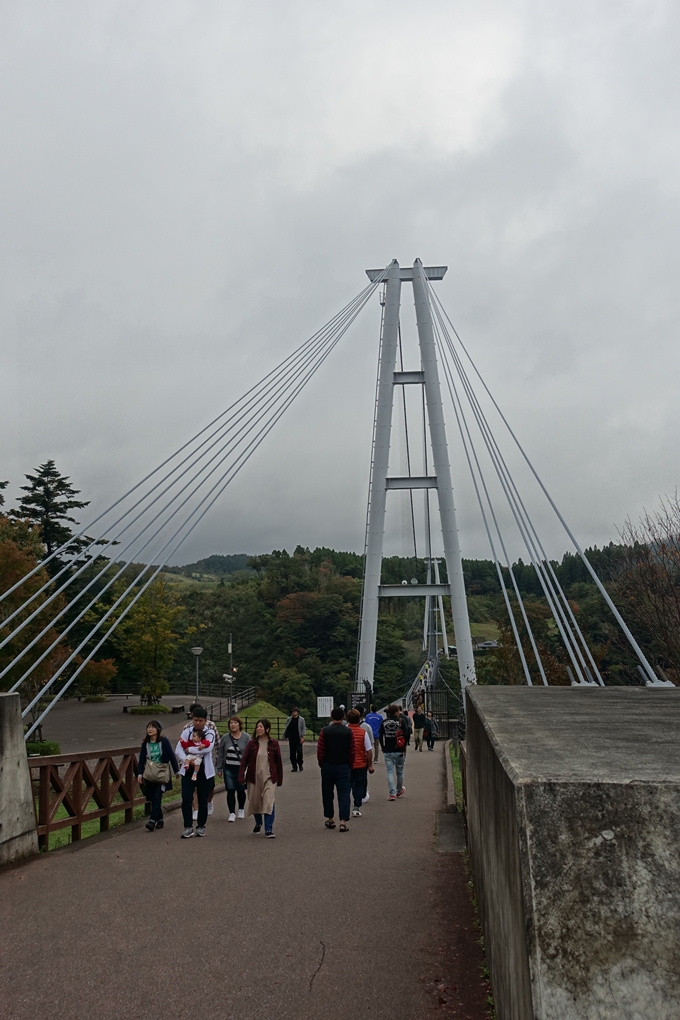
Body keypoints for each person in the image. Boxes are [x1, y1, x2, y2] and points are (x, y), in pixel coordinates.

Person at [237, 718, 283, 838]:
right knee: (255, 802)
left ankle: (268, 829)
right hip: (254, 777)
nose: (258, 729)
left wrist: (280, 779)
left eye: (261, 727)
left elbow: (278, 762)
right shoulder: (252, 744)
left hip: (270, 777)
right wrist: (241, 776)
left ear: (267, 729)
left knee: (269, 801)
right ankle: (258, 823)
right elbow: (245, 761)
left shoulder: (274, 743)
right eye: (257, 727)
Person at [176, 705, 216, 839]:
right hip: (188, 769)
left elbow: (207, 748)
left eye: (200, 720)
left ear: (205, 720)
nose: (197, 723)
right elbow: (178, 749)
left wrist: (189, 750)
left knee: (203, 799)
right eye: (195, 720)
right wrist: (187, 759)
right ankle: (188, 826)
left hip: (204, 770)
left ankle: (201, 826)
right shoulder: (187, 731)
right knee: (187, 797)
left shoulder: (209, 732)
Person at [317, 706, 356, 831]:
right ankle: (343, 821)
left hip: (328, 765)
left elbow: (320, 750)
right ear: (343, 717)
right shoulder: (349, 732)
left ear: (331, 717)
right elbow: (352, 751)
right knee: (344, 794)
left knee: (327, 792)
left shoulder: (325, 731)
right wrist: (350, 764)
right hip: (344, 766)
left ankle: (330, 819)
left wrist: (322, 763)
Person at [137, 720, 179, 831]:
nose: (150, 729)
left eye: (153, 727)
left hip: (162, 773)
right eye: (148, 727)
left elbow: (171, 755)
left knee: (157, 796)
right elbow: (141, 760)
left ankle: (152, 821)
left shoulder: (164, 741)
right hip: (150, 773)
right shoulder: (145, 744)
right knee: (152, 798)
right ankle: (160, 819)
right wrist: (139, 773)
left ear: (158, 729)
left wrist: (176, 771)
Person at [216, 715, 251, 821]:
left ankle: (241, 809)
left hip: (241, 768)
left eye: (235, 723)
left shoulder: (246, 737)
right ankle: (231, 812)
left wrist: (249, 767)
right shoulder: (226, 738)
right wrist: (219, 768)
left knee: (241, 790)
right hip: (228, 768)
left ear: (240, 725)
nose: (233, 725)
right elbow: (221, 753)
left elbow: (250, 753)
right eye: (231, 723)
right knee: (230, 790)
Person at [189, 702, 219, 818]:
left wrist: (217, 760)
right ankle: (196, 809)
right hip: (192, 761)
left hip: (207, 762)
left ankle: (209, 801)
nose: (197, 722)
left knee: (210, 787)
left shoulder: (211, 726)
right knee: (193, 787)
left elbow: (216, 744)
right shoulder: (187, 728)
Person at [347, 709, 374, 817]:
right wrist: (370, 765)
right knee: (359, 786)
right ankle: (356, 807)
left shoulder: (345, 730)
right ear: (359, 719)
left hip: (346, 764)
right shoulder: (363, 732)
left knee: (347, 786)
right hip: (360, 764)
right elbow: (369, 750)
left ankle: (344, 806)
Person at [380, 704, 407, 801]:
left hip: (388, 750)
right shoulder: (401, 721)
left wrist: (383, 746)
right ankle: (399, 790)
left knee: (389, 771)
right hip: (399, 749)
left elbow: (380, 735)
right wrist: (404, 746)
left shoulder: (384, 722)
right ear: (396, 712)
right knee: (400, 772)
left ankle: (392, 793)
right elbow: (406, 734)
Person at [282, 707, 306, 772]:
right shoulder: (289, 719)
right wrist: (285, 735)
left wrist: (303, 737)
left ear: (298, 712)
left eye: (295, 711)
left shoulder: (301, 719)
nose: (294, 713)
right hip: (291, 738)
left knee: (299, 752)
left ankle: (300, 764)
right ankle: (294, 766)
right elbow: (286, 727)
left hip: (298, 738)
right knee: (292, 753)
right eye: (293, 712)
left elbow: (303, 728)